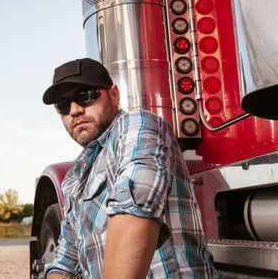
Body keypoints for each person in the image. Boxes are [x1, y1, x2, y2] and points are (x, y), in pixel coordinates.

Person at [42, 58, 219, 278]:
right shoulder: (74, 177)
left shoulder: (135, 125)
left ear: (114, 95)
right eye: (63, 105)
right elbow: (65, 262)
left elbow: (135, 205)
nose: (75, 110)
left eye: (85, 95)